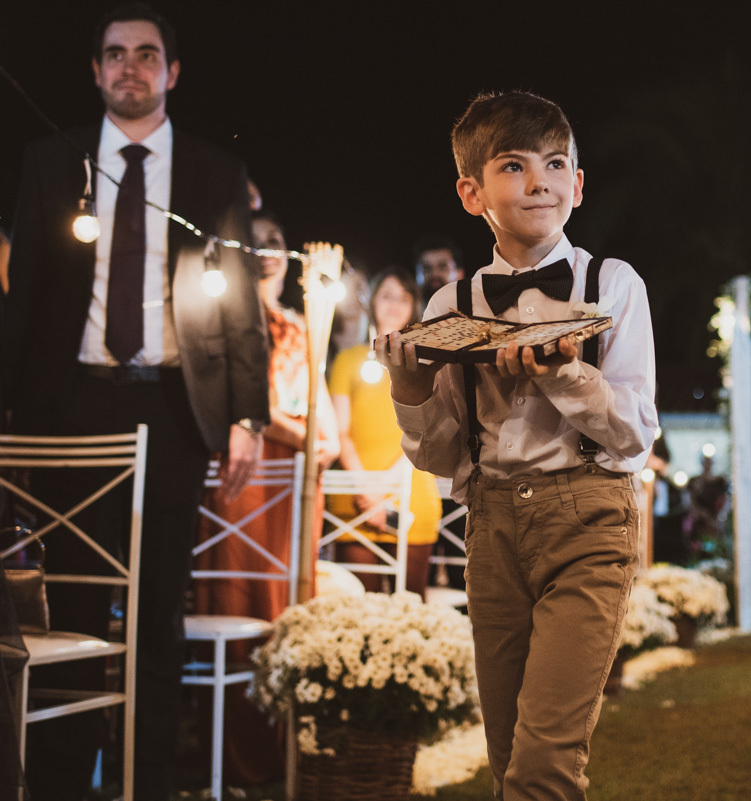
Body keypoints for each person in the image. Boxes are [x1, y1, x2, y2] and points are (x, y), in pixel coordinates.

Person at [0, 5, 269, 799]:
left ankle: (147, 783)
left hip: (174, 410)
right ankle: (57, 785)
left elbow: (241, 302)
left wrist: (247, 412)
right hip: (70, 408)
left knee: (157, 609)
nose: (130, 67)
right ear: (94, 71)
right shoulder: (50, 161)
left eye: (146, 55)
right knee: (75, 601)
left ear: (172, 73)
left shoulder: (215, 173)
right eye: (115, 54)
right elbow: (23, 302)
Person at [378, 90, 657, 800]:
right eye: (514, 165)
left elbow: (633, 431)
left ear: (578, 184)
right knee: (506, 759)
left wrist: (565, 373)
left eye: (555, 163)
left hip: (589, 519)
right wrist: (410, 392)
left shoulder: (613, 284)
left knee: (543, 765)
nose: (540, 181)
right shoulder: (449, 306)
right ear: (472, 193)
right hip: (492, 524)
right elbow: (441, 454)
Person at [191, 208, 338, 786]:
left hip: (292, 486)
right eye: (257, 243)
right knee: (233, 603)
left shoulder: (300, 326)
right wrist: (299, 432)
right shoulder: (225, 324)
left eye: (277, 240)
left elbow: (318, 403)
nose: (271, 250)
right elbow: (238, 404)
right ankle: (230, 757)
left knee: (283, 611)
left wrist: (319, 439)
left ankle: (282, 755)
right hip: (242, 483)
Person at [326, 266, 442, 595]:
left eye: (403, 298)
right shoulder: (348, 360)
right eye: (386, 296)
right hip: (356, 494)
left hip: (411, 493)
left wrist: (387, 490)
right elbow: (341, 430)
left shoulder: (427, 361)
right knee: (360, 609)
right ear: (372, 301)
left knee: (409, 607)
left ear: (413, 307)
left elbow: (428, 430)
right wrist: (367, 489)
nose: (393, 304)